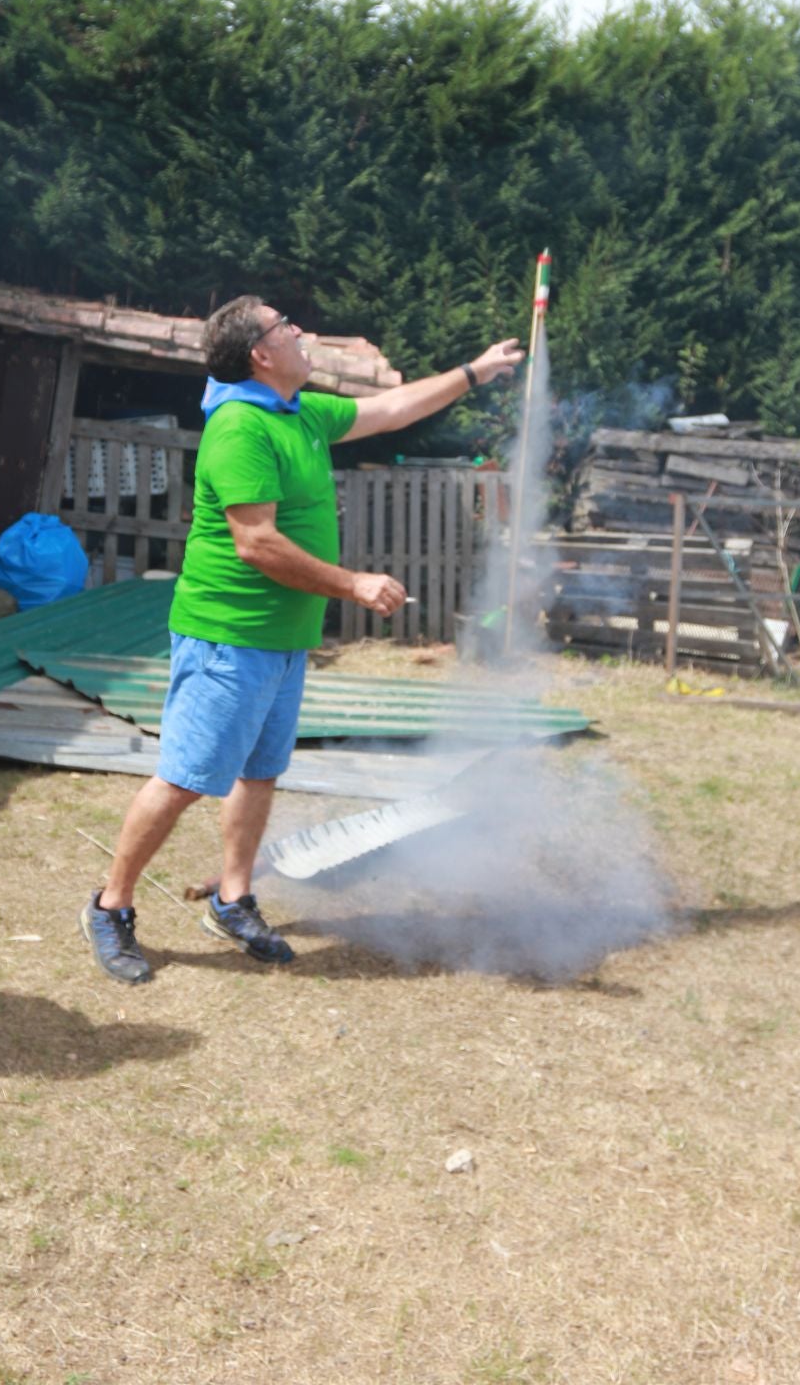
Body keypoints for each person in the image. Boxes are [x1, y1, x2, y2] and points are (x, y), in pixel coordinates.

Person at [81, 295, 524, 984]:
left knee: (259, 772)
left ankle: (232, 900)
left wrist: (475, 372)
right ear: (261, 354)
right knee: (184, 779)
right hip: (227, 637)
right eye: (285, 326)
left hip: (283, 639)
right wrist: (352, 584)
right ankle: (111, 907)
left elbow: (393, 408)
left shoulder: (299, 412)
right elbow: (256, 543)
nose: (302, 331)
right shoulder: (240, 428)